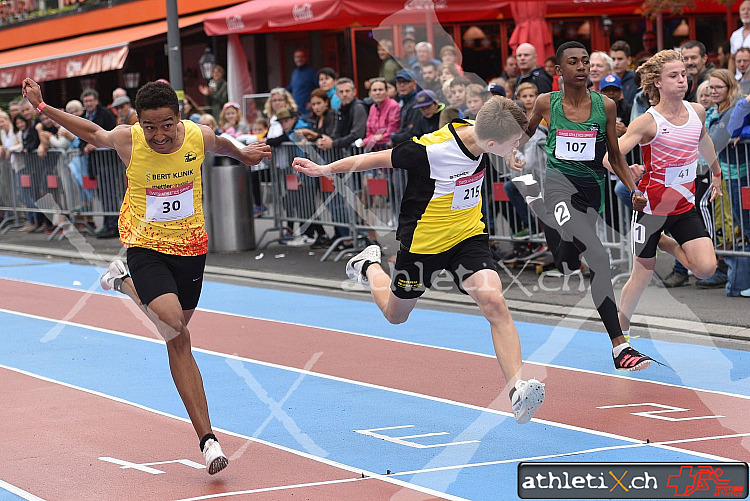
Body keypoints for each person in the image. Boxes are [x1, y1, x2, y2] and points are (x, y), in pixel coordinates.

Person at [21, 77, 271, 475]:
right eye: (150, 126)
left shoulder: (198, 136)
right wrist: (43, 108)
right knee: (175, 327)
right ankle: (208, 440)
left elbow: (223, 145)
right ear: (140, 123)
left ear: (179, 118)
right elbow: (92, 131)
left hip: (191, 249)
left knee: (176, 336)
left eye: (167, 124)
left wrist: (245, 154)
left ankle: (121, 282)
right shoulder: (129, 140)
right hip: (146, 246)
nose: (159, 135)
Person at [292, 96, 546, 424]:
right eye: (513, 144)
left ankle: (517, 391)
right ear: (493, 142)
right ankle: (368, 264)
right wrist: (325, 168)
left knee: (494, 302)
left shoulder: (485, 133)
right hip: (423, 245)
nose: (517, 148)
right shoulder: (431, 150)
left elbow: (516, 129)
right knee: (396, 315)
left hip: (468, 237)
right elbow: (376, 159)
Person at [518, 41, 653, 371]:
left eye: (585, 61)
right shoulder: (545, 102)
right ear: (559, 71)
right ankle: (621, 347)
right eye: (574, 62)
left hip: (592, 194)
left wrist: (633, 188)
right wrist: (512, 146)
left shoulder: (605, 106)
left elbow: (617, 156)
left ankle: (559, 237)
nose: (582, 67)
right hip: (559, 189)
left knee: (567, 259)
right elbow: (526, 132)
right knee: (599, 258)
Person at [612, 50, 721, 339]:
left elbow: (704, 141)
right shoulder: (648, 121)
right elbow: (610, 158)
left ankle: (669, 244)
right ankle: (620, 333)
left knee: (706, 269)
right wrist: (629, 171)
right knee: (642, 276)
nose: (682, 80)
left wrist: (717, 172)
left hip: (684, 207)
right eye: (674, 76)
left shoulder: (697, 111)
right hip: (651, 210)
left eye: (684, 74)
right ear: (658, 83)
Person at [287, 49, 319, 118]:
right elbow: (291, 87)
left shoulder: (311, 72)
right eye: (297, 57)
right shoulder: (295, 72)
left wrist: (312, 101)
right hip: (296, 109)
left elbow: (318, 88)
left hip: (307, 110)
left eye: (301, 57)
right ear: (294, 59)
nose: (299, 59)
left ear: (305, 58)